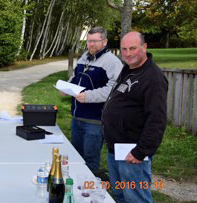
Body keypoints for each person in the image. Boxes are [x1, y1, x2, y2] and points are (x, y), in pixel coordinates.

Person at [102, 32, 168, 203]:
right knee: (119, 195)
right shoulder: (129, 69)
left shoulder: (153, 78)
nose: (128, 53)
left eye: (133, 48)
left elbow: (157, 119)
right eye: (124, 49)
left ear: (144, 47)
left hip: (132, 154)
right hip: (115, 149)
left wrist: (140, 152)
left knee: (136, 198)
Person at [60, 26, 123, 172]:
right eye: (89, 41)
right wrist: (66, 87)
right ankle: (76, 185)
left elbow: (114, 89)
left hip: (95, 120)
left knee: (90, 158)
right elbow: (75, 77)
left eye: (95, 41)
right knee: (76, 155)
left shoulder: (112, 62)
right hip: (77, 117)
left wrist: (88, 96)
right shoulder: (84, 57)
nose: (91, 44)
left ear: (105, 41)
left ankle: (90, 189)